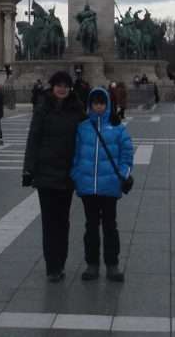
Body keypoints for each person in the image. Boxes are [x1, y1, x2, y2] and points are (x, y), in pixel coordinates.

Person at [23, 71, 85, 283]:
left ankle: (61, 261)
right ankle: (52, 266)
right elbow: (33, 139)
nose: (62, 89)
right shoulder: (42, 109)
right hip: (46, 173)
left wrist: (112, 121)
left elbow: (89, 134)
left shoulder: (77, 110)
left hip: (67, 174)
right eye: (58, 85)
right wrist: (28, 169)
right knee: (49, 222)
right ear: (52, 87)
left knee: (63, 221)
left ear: (70, 88)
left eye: (65, 85)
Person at [71, 87, 133, 283]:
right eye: (95, 103)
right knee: (90, 227)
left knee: (110, 226)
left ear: (107, 104)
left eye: (102, 103)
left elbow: (127, 155)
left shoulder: (118, 128)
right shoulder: (82, 127)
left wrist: (121, 175)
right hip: (88, 186)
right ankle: (92, 264)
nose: (98, 106)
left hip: (109, 186)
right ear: (90, 105)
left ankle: (112, 264)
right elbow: (74, 154)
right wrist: (77, 175)